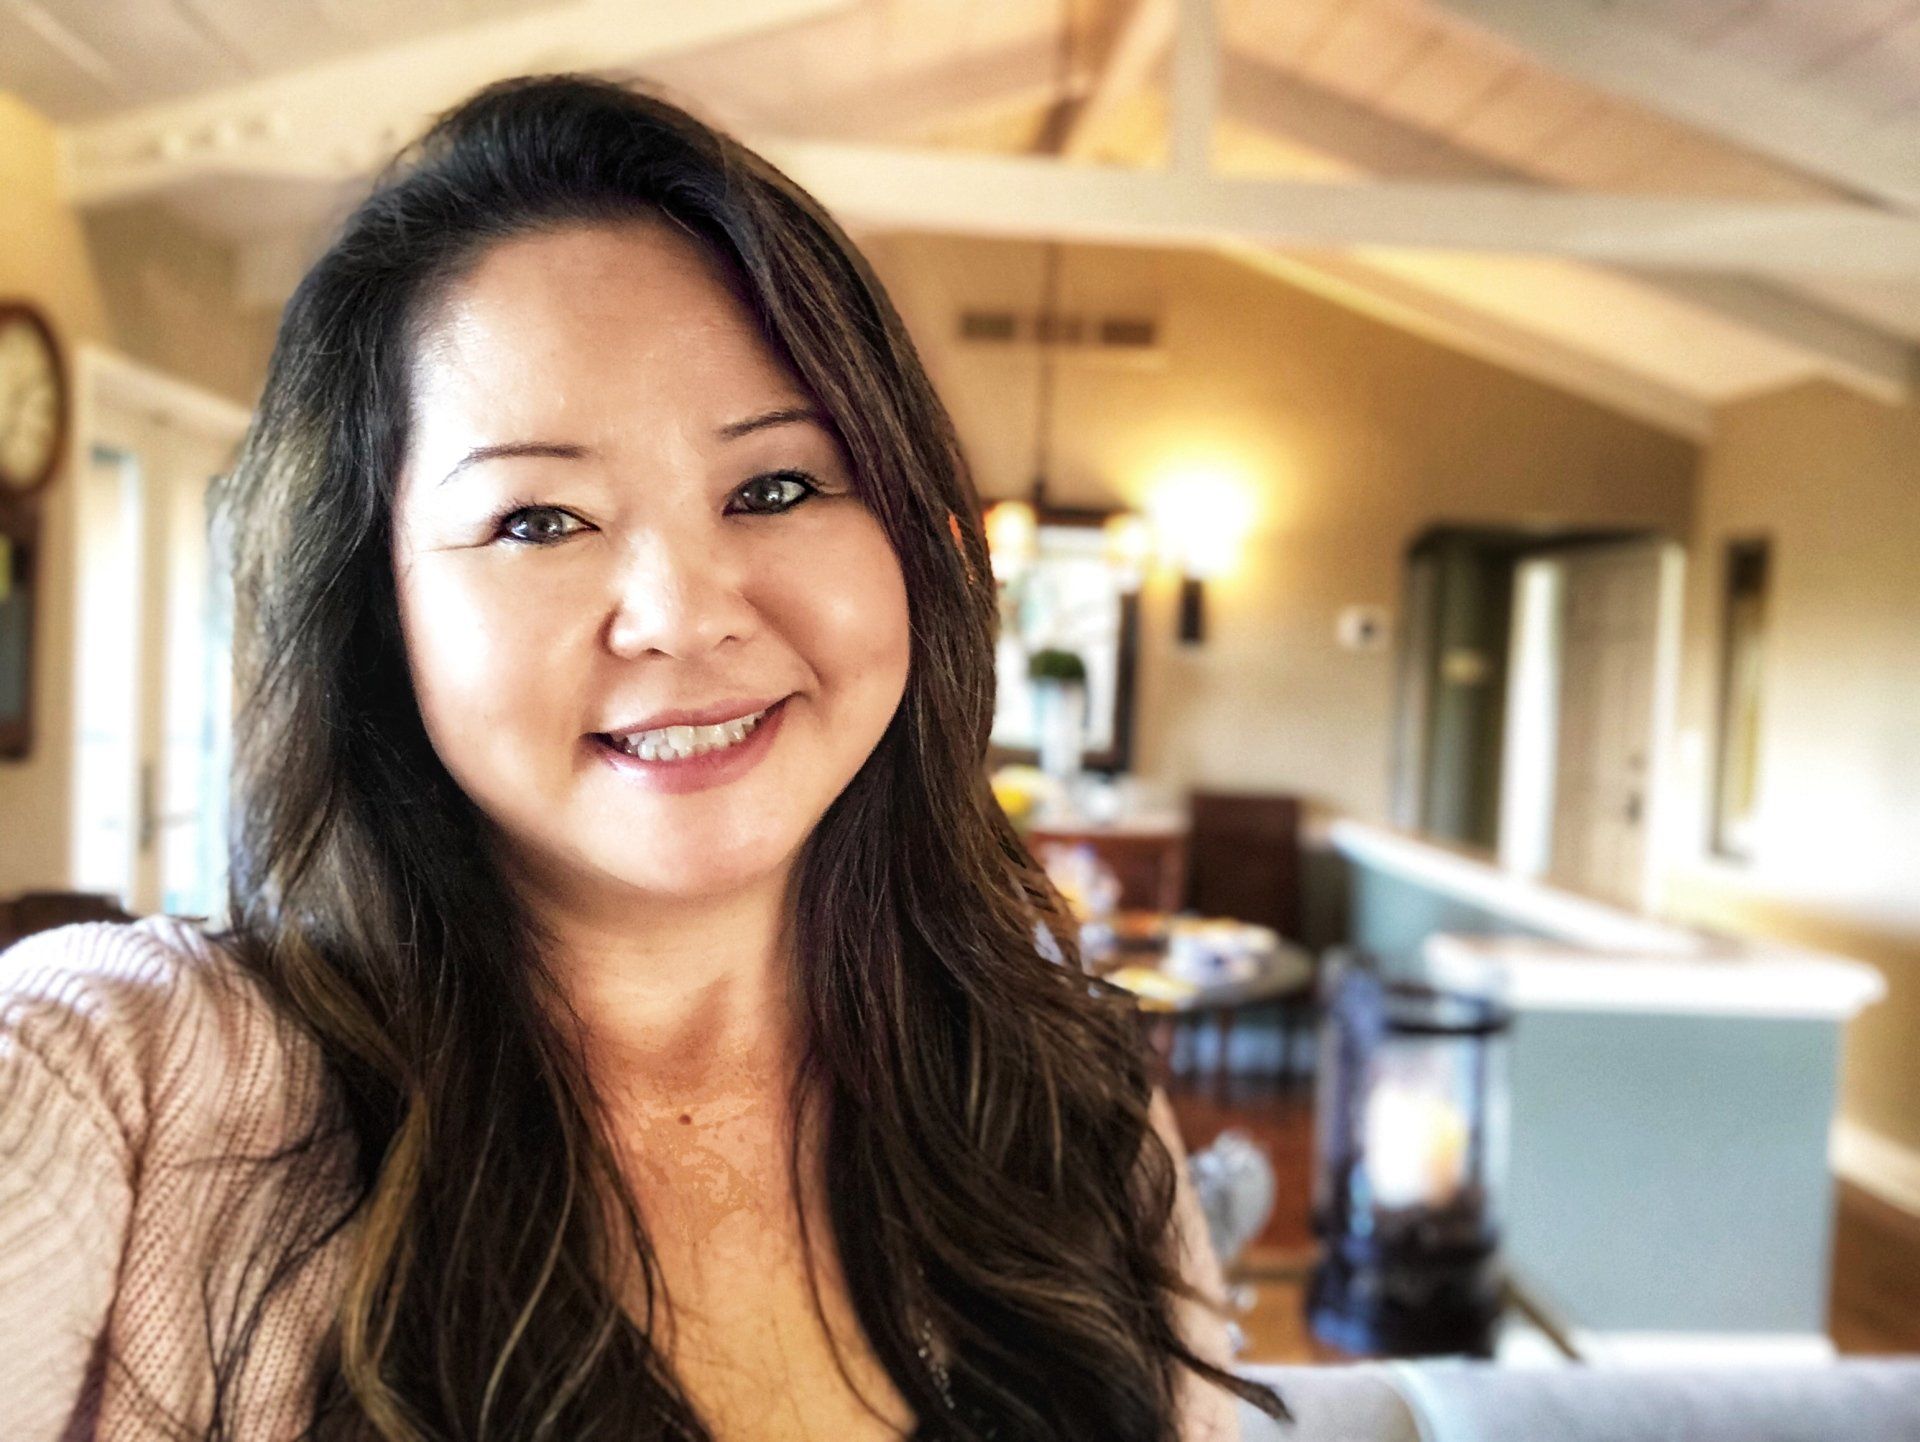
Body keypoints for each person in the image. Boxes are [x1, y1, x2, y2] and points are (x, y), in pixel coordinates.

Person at [0, 74, 1289, 1442]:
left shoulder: (1068, 1097)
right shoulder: (115, 1079)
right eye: (539, 518)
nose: (683, 611)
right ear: (376, 609)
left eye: (776, 486)